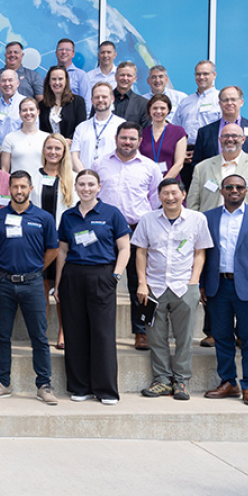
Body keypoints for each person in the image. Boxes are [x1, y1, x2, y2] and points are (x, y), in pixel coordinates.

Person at [55, 170, 131, 404]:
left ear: (99, 187)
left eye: (90, 184)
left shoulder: (111, 214)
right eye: (81, 184)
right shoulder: (68, 216)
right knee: (75, 332)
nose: (86, 188)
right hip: (73, 275)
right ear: (75, 187)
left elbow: (125, 248)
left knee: (102, 333)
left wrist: (115, 276)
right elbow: (63, 251)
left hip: (102, 275)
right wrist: (58, 284)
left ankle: (106, 390)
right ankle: (80, 387)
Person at [201, 174, 248, 406]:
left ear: (246, 191)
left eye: (239, 187)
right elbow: (203, 254)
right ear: (222, 191)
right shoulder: (208, 217)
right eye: (230, 187)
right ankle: (228, 382)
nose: (234, 190)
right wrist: (203, 284)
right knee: (222, 337)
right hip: (218, 286)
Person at [133, 177, 212, 400]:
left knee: (184, 337)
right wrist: (142, 283)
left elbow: (199, 252)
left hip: (183, 286)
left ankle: (182, 381)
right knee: (155, 337)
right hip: (153, 287)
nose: (170, 197)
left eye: (174, 193)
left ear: (183, 195)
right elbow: (141, 252)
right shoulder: (148, 219)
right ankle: (161, 380)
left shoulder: (197, 219)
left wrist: (194, 282)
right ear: (159, 196)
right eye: (165, 193)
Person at [0, 170, 58, 404]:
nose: (19, 191)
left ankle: (44, 385)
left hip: (33, 283)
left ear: (31, 189)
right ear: (9, 189)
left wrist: (34, 269)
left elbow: (53, 250)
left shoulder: (44, 218)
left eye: (23, 187)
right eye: (15, 187)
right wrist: (9, 270)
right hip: (3, 283)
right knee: (1, 335)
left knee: (39, 336)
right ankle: (2, 383)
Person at [94, 122, 163, 350]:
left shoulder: (150, 167)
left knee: (139, 282)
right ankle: (99, 329)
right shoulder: (100, 164)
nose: (127, 142)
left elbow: (155, 200)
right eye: (124, 138)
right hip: (105, 230)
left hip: (137, 230)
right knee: (103, 281)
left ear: (139, 141)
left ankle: (141, 331)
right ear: (116, 138)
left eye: (132, 139)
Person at [32, 134, 76, 348]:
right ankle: (41, 332)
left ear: (64, 152)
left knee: (62, 289)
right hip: (38, 240)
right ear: (44, 150)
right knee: (41, 288)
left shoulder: (73, 178)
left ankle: (63, 332)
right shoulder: (33, 176)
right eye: (49, 148)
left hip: (63, 242)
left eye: (57, 148)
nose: (53, 152)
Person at [186, 123, 248, 212]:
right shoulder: (201, 168)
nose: (230, 139)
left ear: (243, 139)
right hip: (211, 223)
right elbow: (192, 203)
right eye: (225, 136)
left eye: (235, 136)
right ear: (219, 140)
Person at [192, 85, 248, 166]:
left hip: (246, 177)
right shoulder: (205, 132)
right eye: (225, 100)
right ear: (219, 104)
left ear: (241, 102)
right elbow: (197, 164)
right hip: (215, 177)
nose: (229, 103)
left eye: (233, 99)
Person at [70, 83, 123, 173]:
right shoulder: (81, 127)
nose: (100, 100)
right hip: (85, 181)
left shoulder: (121, 125)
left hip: (112, 179)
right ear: (92, 100)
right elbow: (74, 155)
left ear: (112, 99)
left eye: (104, 97)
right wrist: (85, 176)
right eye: (97, 97)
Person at [174, 60, 222, 150]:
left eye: (205, 74)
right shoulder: (185, 101)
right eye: (198, 74)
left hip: (211, 150)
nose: (201, 77)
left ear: (214, 75)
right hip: (186, 152)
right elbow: (176, 130)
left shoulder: (220, 99)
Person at [139, 94, 187, 181]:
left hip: (170, 185)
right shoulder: (142, 134)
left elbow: (179, 164)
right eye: (155, 108)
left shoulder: (178, 132)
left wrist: (163, 183)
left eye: (162, 108)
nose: (158, 111)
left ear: (168, 110)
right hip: (147, 184)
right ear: (149, 110)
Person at [1, 97, 49, 176]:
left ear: (38, 112)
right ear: (19, 114)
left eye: (31, 109)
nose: (28, 113)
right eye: (24, 110)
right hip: (18, 186)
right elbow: (4, 170)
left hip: (41, 185)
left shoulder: (47, 138)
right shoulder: (9, 138)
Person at [39, 66, 86, 141]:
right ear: (49, 82)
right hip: (50, 149)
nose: (57, 82)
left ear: (66, 81)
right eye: (54, 79)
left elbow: (81, 128)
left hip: (71, 147)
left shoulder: (78, 102)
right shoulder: (42, 105)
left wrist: (67, 142)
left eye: (60, 79)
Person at [0, 69, 22, 144]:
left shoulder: (26, 104)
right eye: (3, 81)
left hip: (19, 152)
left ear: (17, 83)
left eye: (10, 80)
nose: (7, 84)